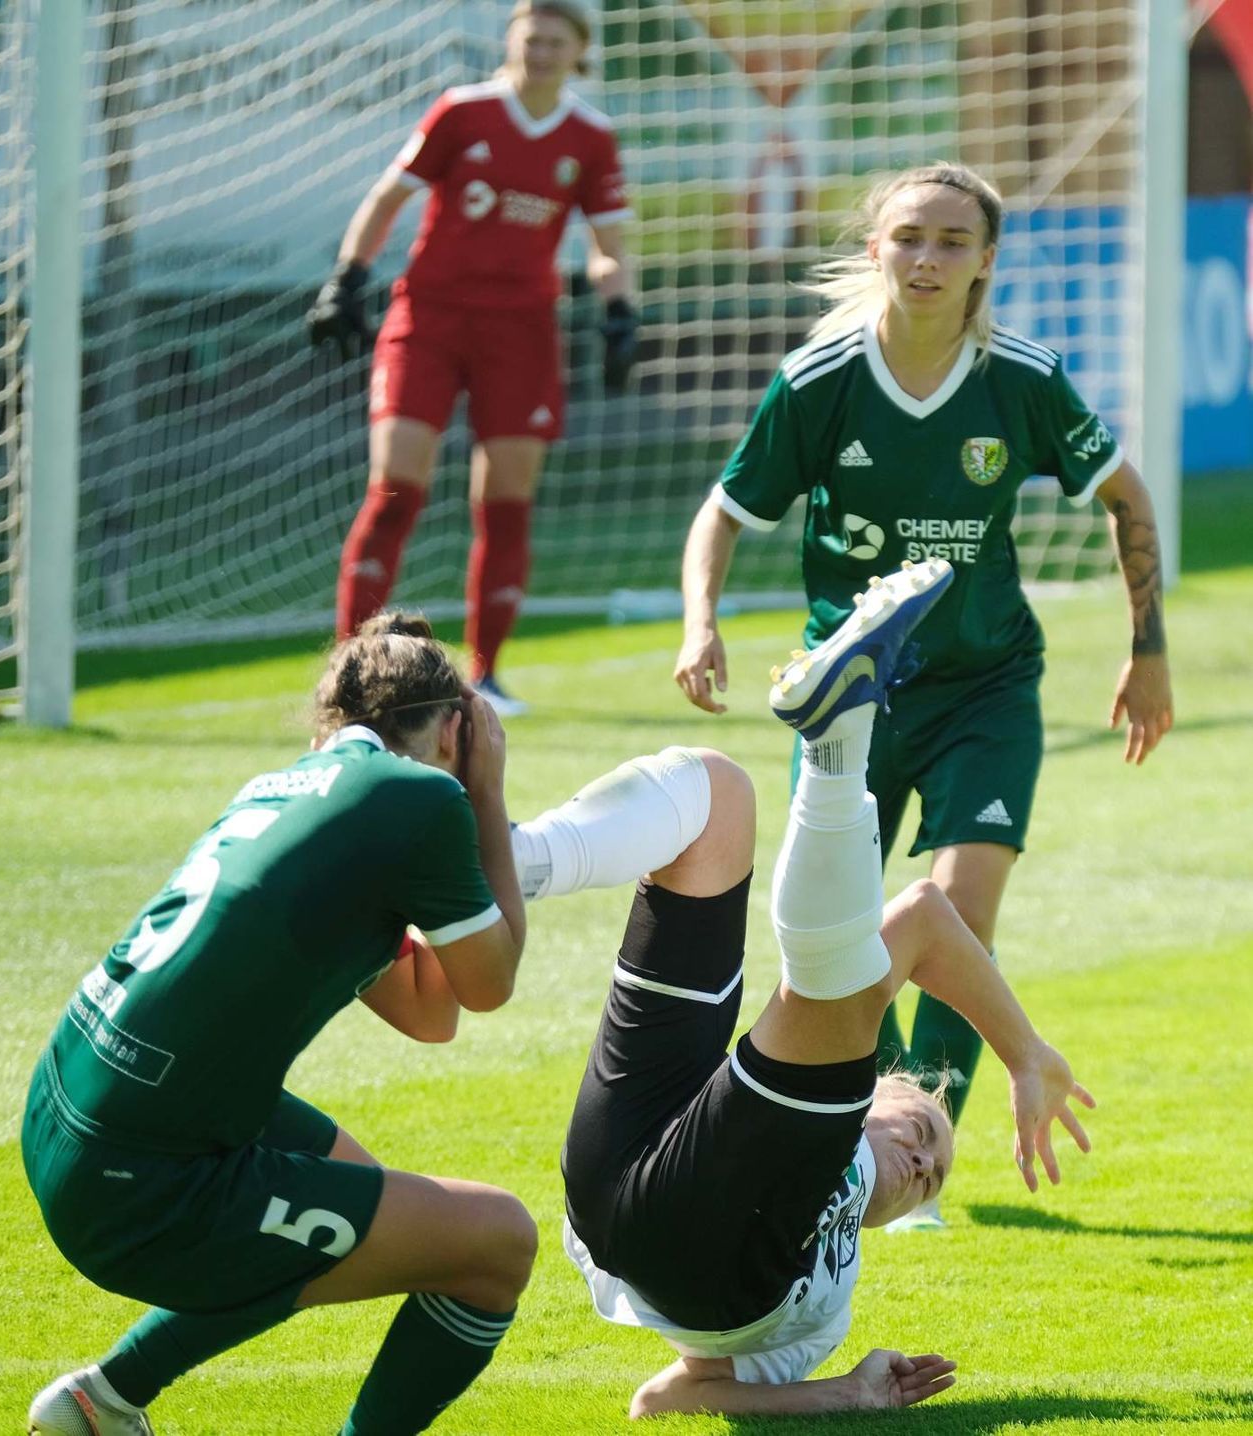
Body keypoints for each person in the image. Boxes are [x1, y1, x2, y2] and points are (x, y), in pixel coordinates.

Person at [673, 163, 1169, 1225]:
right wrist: (700, 620)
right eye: (909, 237)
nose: (929, 258)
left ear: (988, 259)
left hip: (987, 687)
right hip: (846, 695)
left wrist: (1150, 646)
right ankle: (875, 1121)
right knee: (842, 928)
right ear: (875, 249)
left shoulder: (1023, 380)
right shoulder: (819, 381)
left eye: (953, 240)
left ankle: (920, 1156)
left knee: (963, 908)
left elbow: (1126, 494)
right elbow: (722, 512)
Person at [557, 560, 1094, 1417]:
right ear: (882, 1090)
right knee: (717, 797)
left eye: (930, 1179)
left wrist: (844, 1390)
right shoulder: (837, 1122)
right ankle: (516, 862)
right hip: (650, 1163)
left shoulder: (826, 1314)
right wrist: (1025, 1057)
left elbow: (664, 1400)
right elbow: (921, 908)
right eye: (925, 1134)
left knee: (830, 1005)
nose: (922, 1163)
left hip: (621, 1222)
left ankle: (837, 742)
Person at [23, 614, 534, 1436]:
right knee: (497, 1243)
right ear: (454, 726)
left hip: (63, 1110)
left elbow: (431, 1012)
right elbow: (491, 984)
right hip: (134, 1176)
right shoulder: (422, 797)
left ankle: (101, 1402)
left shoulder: (286, 786)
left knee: (373, 1206)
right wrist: (486, 791)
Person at [309, 0, 638, 717]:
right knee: (396, 484)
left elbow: (608, 242)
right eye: (530, 38)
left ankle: (485, 677)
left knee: (507, 502)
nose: (541, 51)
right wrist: (348, 277)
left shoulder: (590, 136)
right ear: (511, 41)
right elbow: (390, 193)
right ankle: (349, 669)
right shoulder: (462, 110)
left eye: (556, 41)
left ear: (578, 52)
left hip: (521, 331)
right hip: (429, 316)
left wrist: (620, 314)